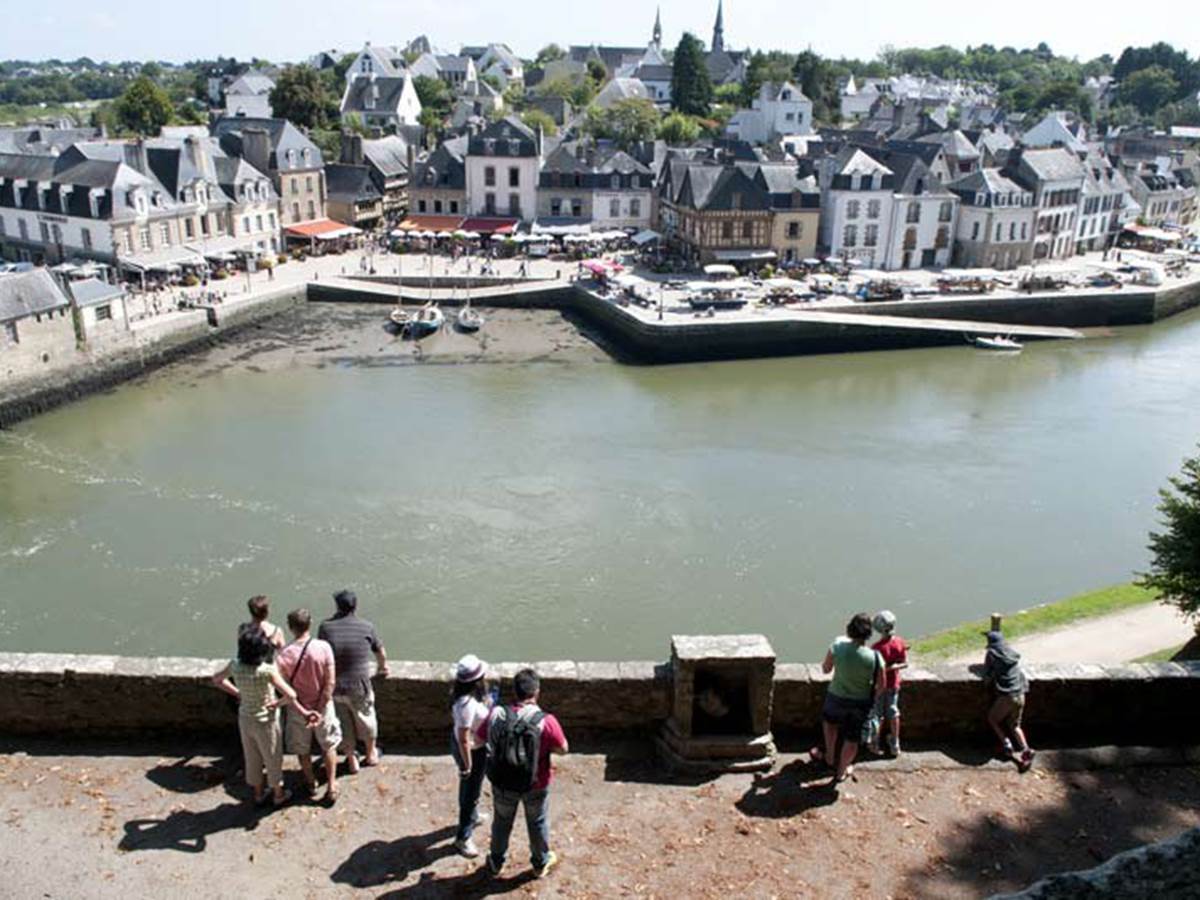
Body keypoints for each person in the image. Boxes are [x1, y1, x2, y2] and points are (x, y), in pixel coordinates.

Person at [212, 623, 318, 806]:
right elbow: (291, 695)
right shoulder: (266, 671)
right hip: (266, 721)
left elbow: (217, 679)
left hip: (245, 718)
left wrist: (238, 693)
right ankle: (278, 794)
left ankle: (258, 793)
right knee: (272, 758)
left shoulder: (235, 665)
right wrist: (277, 703)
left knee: (252, 757)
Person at [479, 668, 568, 879]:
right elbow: (564, 749)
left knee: (502, 821)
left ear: (514, 692)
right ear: (536, 692)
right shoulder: (546, 720)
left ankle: (496, 861)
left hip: (502, 782)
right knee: (537, 822)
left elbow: (480, 737)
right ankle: (540, 863)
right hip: (536, 783)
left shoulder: (496, 714)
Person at [318, 589, 389, 773]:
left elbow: (322, 655)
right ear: (355, 606)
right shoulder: (366, 626)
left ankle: (351, 759)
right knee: (366, 718)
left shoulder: (325, 627)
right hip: (359, 685)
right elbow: (380, 652)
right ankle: (371, 754)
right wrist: (382, 668)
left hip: (335, 686)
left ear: (337, 606)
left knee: (343, 723)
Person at [277, 608, 343, 804]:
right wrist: (319, 709)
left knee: (302, 749)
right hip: (323, 707)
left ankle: (311, 782)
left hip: (298, 710)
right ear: (310, 623)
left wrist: (304, 711)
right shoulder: (324, 647)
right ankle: (331, 786)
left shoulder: (283, 655)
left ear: (290, 628)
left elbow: (285, 690)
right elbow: (330, 682)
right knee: (328, 746)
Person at [812, 613, 885, 785]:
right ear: (868, 634)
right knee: (852, 739)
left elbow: (825, 669)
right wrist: (871, 699)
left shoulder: (837, 646)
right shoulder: (875, 657)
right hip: (860, 703)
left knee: (830, 724)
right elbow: (882, 686)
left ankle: (830, 757)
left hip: (835, 697)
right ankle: (841, 772)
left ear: (850, 629)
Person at [450, 654, 493, 858]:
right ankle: (463, 837)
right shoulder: (466, 705)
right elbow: (464, 739)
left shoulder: (465, 697)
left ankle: (473, 815)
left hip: (471, 748)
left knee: (470, 789)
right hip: (472, 752)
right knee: (470, 792)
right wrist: (467, 766)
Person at [983, 630, 1035, 772]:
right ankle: (1026, 750)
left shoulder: (991, 654)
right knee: (1015, 725)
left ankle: (1007, 744)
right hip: (1021, 694)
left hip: (1007, 696)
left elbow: (988, 676)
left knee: (993, 719)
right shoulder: (1011, 653)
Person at [865, 610, 908, 757]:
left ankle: (874, 743)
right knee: (894, 713)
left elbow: (873, 669)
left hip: (879, 686)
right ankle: (895, 743)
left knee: (877, 715)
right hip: (894, 684)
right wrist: (894, 667)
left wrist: (887, 669)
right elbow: (904, 663)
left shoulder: (876, 648)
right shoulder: (900, 642)